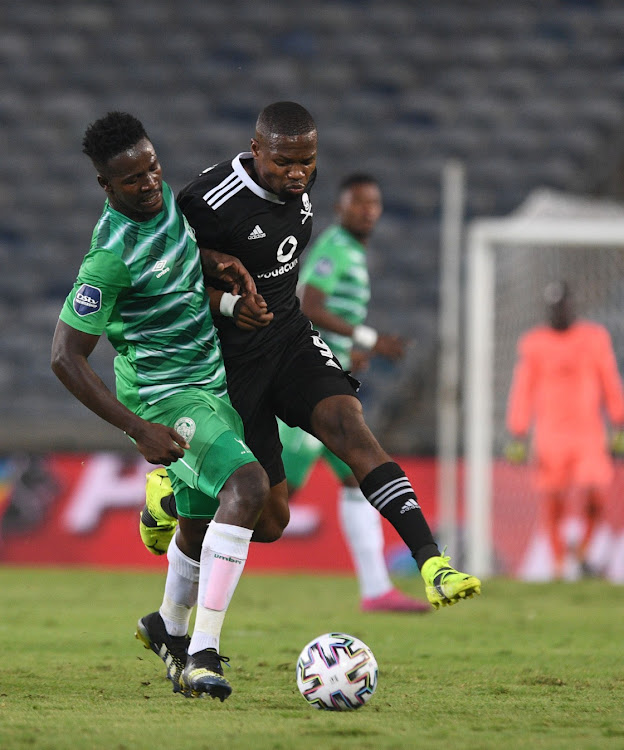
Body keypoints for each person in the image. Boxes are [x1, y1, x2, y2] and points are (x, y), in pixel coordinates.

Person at [141, 101, 481, 615]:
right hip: (233, 363)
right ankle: (170, 494)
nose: (297, 173)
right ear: (256, 151)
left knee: (351, 427)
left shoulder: (298, 187)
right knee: (272, 521)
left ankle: (433, 562)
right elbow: (163, 276)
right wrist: (225, 296)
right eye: (283, 162)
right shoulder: (209, 201)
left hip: (291, 339)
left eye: (307, 161)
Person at [51, 111, 273, 702]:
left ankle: (166, 627)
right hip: (163, 396)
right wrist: (136, 428)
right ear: (105, 186)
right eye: (132, 179)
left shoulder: (164, 204)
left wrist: (222, 292)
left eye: (152, 167)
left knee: (199, 525)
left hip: (210, 383)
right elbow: (64, 356)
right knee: (248, 490)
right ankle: (201, 653)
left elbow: (172, 273)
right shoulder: (108, 256)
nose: (149, 183)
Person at [278, 173, 429, 612]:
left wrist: (349, 352)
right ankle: (181, 521)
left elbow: (325, 319)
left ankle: (376, 589)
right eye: (358, 202)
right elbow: (308, 305)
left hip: (332, 382)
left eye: (374, 203)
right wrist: (367, 338)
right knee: (275, 495)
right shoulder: (334, 248)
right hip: (309, 390)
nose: (368, 210)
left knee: (355, 480)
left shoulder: (354, 253)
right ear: (340, 207)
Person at [505, 280, 624, 579]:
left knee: (594, 495)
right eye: (554, 307)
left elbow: (609, 379)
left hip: (588, 433)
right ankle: (559, 564)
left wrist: (618, 419)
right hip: (550, 434)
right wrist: (518, 430)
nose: (559, 312)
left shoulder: (594, 338)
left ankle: (583, 552)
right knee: (553, 500)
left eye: (564, 306)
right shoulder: (534, 343)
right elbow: (523, 388)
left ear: (573, 307)